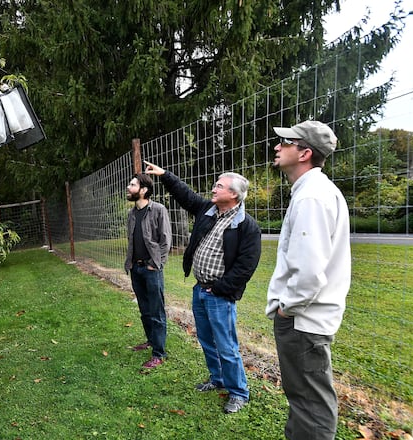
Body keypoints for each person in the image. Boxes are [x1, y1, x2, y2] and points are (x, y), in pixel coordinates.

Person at [144, 161, 262, 414]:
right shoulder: (208, 210)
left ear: (233, 194)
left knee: (226, 345)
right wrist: (165, 175)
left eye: (219, 185)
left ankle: (239, 392)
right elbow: (185, 195)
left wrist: (219, 288)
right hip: (200, 290)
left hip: (218, 294)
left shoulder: (246, 226)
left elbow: (246, 267)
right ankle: (217, 379)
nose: (214, 188)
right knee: (207, 340)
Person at [266, 120, 351, 439]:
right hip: (305, 317)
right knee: (305, 398)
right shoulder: (313, 192)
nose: (277, 146)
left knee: (310, 403)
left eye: (286, 143)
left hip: (302, 319)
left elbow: (309, 271)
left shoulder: (311, 197)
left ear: (304, 153)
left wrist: (287, 309)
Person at [124, 173, 172, 370]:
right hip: (136, 268)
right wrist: (131, 264)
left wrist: (155, 264)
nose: (128, 187)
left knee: (156, 311)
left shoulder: (158, 210)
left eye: (132, 184)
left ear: (143, 190)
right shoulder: (131, 214)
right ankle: (151, 340)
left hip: (152, 269)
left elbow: (165, 241)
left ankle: (159, 353)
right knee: (144, 310)